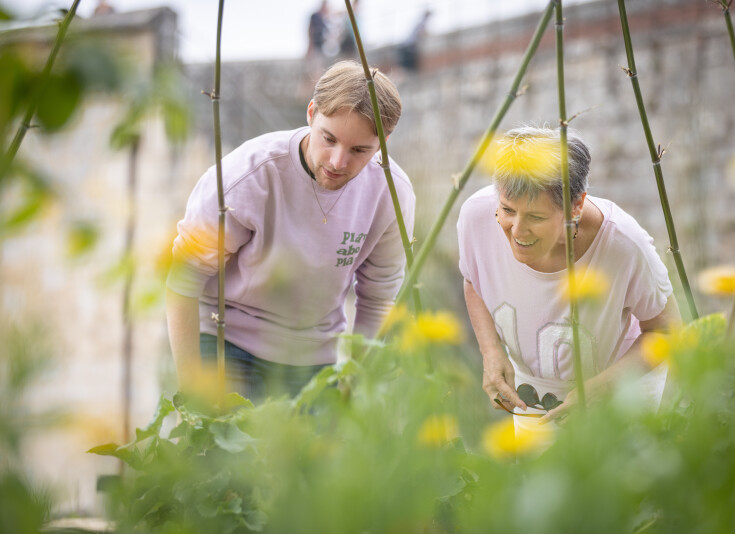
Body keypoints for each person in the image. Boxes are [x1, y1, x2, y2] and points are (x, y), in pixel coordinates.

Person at [166, 61, 414, 402]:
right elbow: (184, 278)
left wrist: (353, 388)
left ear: (384, 141)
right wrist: (191, 392)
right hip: (227, 342)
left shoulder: (393, 193)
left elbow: (379, 298)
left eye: (359, 150)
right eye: (328, 139)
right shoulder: (248, 175)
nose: (338, 162)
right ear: (311, 113)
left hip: (315, 358)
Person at [456, 126, 680, 427]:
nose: (517, 231)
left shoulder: (624, 244)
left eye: (536, 216)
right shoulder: (477, 218)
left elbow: (667, 331)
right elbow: (474, 280)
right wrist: (491, 351)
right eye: (507, 210)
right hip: (532, 400)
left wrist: (598, 389)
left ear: (576, 206)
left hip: (619, 400)